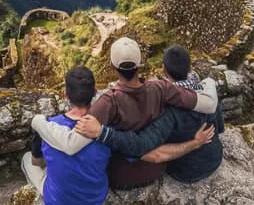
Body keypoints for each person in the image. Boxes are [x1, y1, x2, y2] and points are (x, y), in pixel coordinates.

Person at [31, 37, 218, 190]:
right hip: (157, 169)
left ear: (112, 66)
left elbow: (71, 144)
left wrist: (38, 122)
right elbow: (208, 105)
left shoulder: (108, 102)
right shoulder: (161, 88)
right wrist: (209, 83)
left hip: (121, 177)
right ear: (140, 64)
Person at [76, 45, 224, 183]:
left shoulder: (168, 110)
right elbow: (220, 128)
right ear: (189, 66)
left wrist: (103, 133)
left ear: (164, 69)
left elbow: (142, 146)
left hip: (186, 171)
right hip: (215, 157)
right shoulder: (207, 92)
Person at [21, 66, 111, 204]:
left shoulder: (49, 125)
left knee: (27, 159)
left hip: (59, 200)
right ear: (94, 92)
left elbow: (37, 161)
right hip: (95, 197)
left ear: (65, 95)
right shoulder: (104, 125)